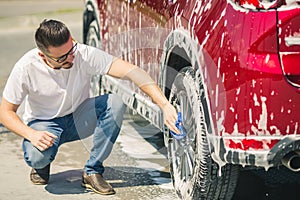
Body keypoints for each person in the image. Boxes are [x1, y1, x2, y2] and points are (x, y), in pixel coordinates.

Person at [0, 19, 179, 195]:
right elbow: (5, 112)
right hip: (44, 126)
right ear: (43, 55)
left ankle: (93, 171)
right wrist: (31, 134)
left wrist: (165, 105)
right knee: (37, 157)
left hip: (79, 118)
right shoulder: (26, 67)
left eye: (72, 49)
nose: (71, 57)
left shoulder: (83, 54)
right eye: (62, 57)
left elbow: (133, 72)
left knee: (114, 102)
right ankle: (42, 164)